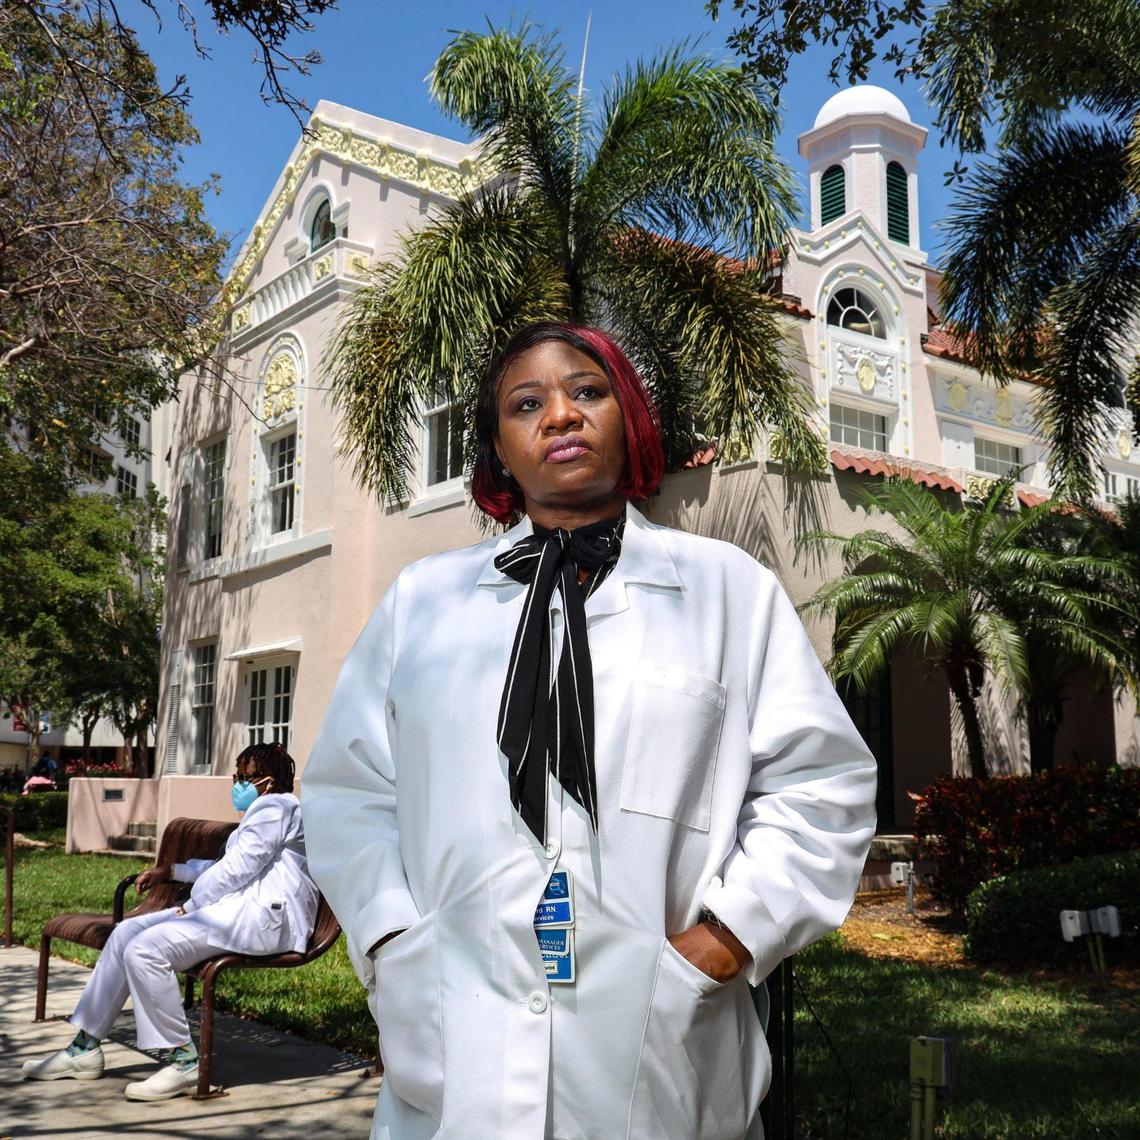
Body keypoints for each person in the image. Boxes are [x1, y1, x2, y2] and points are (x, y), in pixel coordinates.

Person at [302, 323, 878, 1140]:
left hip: (661, 1046)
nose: (560, 416)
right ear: (498, 450)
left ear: (630, 418)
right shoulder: (421, 603)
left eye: (587, 392)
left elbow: (821, 787)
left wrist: (725, 942)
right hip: (456, 1040)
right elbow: (347, 793)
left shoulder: (726, 592)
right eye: (526, 404)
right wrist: (395, 941)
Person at [21, 741, 319, 1101]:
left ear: (269, 781)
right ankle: (84, 1049)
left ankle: (184, 1062)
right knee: (126, 932)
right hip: (236, 912)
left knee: (145, 950)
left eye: (245, 776)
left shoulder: (275, 807)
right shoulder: (265, 813)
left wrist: (190, 907)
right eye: (236, 775)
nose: (238, 783)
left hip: (263, 920)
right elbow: (228, 867)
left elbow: (237, 870)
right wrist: (171, 871)